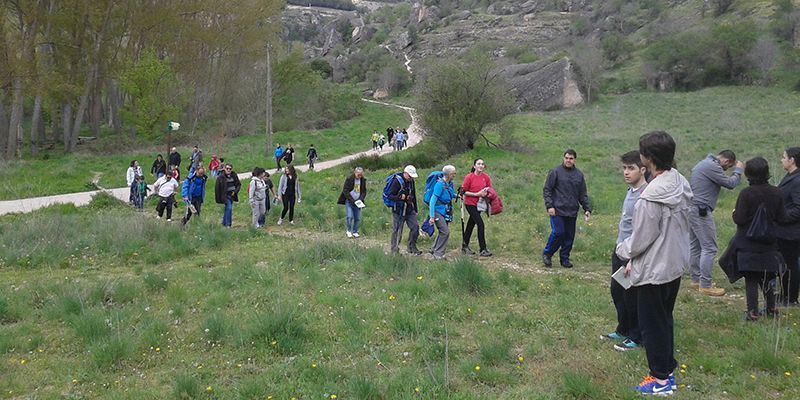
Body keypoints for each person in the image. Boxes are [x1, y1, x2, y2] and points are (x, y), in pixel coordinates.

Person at [616, 131, 692, 396]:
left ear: (647, 158)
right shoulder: (680, 182)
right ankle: (667, 368)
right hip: (674, 265)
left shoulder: (651, 197)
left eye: (642, 153)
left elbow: (639, 240)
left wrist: (623, 252)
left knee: (652, 325)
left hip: (654, 269)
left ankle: (661, 381)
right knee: (664, 319)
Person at [728, 157, 787, 320]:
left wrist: (734, 212)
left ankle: (752, 312)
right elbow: (782, 218)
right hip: (769, 243)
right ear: (766, 172)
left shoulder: (746, 193)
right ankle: (771, 309)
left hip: (748, 243)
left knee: (751, 278)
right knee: (769, 277)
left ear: (748, 173)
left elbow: (739, 219)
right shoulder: (777, 192)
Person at [602, 151, 646, 352]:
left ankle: (636, 337)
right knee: (617, 291)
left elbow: (642, 231)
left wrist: (632, 259)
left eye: (631, 168)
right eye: (624, 168)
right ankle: (623, 329)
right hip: (620, 250)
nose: (626, 172)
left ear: (643, 169)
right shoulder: (631, 190)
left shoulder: (646, 195)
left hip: (631, 255)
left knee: (633, 296)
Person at [688, 150, 744, 296]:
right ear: (726, 161)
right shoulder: (712, 166)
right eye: (728, 167)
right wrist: (738, 170)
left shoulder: (704, 163)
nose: (725, 170)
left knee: (695, 246)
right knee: (709, 248)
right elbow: (731, 184)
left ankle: (695, 280)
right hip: (701, 210)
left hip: (692, 208)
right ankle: (705, 284)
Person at [542, 149, 592, 268]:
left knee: (569, 236)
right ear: (563, 158)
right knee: (558, 233)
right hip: (557, 210)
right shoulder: (555, 172)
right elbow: (547, 190)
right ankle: (547, 254)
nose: (568, 160)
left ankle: (564, 258)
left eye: (571, 158)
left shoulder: (579, 175)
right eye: (566, 158)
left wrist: (587, 209)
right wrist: (550, 206)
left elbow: (582, 194)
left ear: (575, 160)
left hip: (572, 211)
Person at [778, 147, 800, 307]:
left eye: (784, 157)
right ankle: (785, 293)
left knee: (790, 264)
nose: (782, 159)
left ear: (792, 160)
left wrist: (782, 217)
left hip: (792, 232)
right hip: (785, 231)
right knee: (785, 262)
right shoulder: (791, 176)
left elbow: (798, 208)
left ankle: (791, 298)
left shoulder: (797, 180)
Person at [461, 158, 493, 257]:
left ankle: (464, 246)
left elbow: (489, 189)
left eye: (482, 164)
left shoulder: (486, 177)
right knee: (480, 224)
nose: (481, 166)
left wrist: (488, 194)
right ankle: (483, 249)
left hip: (480, 205)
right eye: (478, 164)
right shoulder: (469, 177)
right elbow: (463, 192)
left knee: (471, 224)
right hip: (470, 204)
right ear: (474, 166)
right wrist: (476, 194)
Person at [387, 165, 422, 255]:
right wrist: (400, 197)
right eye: (410, 176)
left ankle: (411, 247)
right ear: (405, 173)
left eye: (412, 176)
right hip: (398, 210)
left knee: (415, 227)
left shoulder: (411, 182)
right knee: (397, 230)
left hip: (410, 209)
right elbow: (390, 196)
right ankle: (394, 250)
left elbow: (413, 195)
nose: (411, 178)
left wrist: (416, 209)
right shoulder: (396, 181)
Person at [429, 165, 457, 260]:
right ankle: (438, 254)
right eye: (453, 173)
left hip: (446, 211)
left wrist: (457, 196)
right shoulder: (439, 185)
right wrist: (432, 216)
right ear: (448, 174)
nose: (455, 175)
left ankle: (433, 249)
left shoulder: (449, 184)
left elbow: (450, 194)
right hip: (437, 211)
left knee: (442, 231)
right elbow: (433, 200)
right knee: (445, 232)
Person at [338, 167, 367, 238]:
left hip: (358, 202)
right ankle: (348, 231)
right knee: (349, 216)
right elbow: (345, 190)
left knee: (357, 218)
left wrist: (360, 199)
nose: (359, 176)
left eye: (361, 175)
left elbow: (364, 191)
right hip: (349, 201)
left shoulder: (363, 180)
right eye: (358, 175)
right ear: (355, 173)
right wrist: (352, 200)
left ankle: (355, 231)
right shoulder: (349, 179)